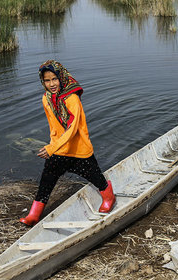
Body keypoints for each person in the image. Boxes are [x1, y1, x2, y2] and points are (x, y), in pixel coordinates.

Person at [19, 60, 116, 226]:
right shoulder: (46, 99)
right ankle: (34, 214)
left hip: (79, 150)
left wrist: (52, 147)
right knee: (46, 181)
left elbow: (72, 129)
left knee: (96, 178)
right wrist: (54, 145)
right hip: (59, 150)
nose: (51, 84)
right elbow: (53, 127)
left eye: (54, 79)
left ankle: (109, 196)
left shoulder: (72, 99)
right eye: (47, 81)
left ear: (61, 77)